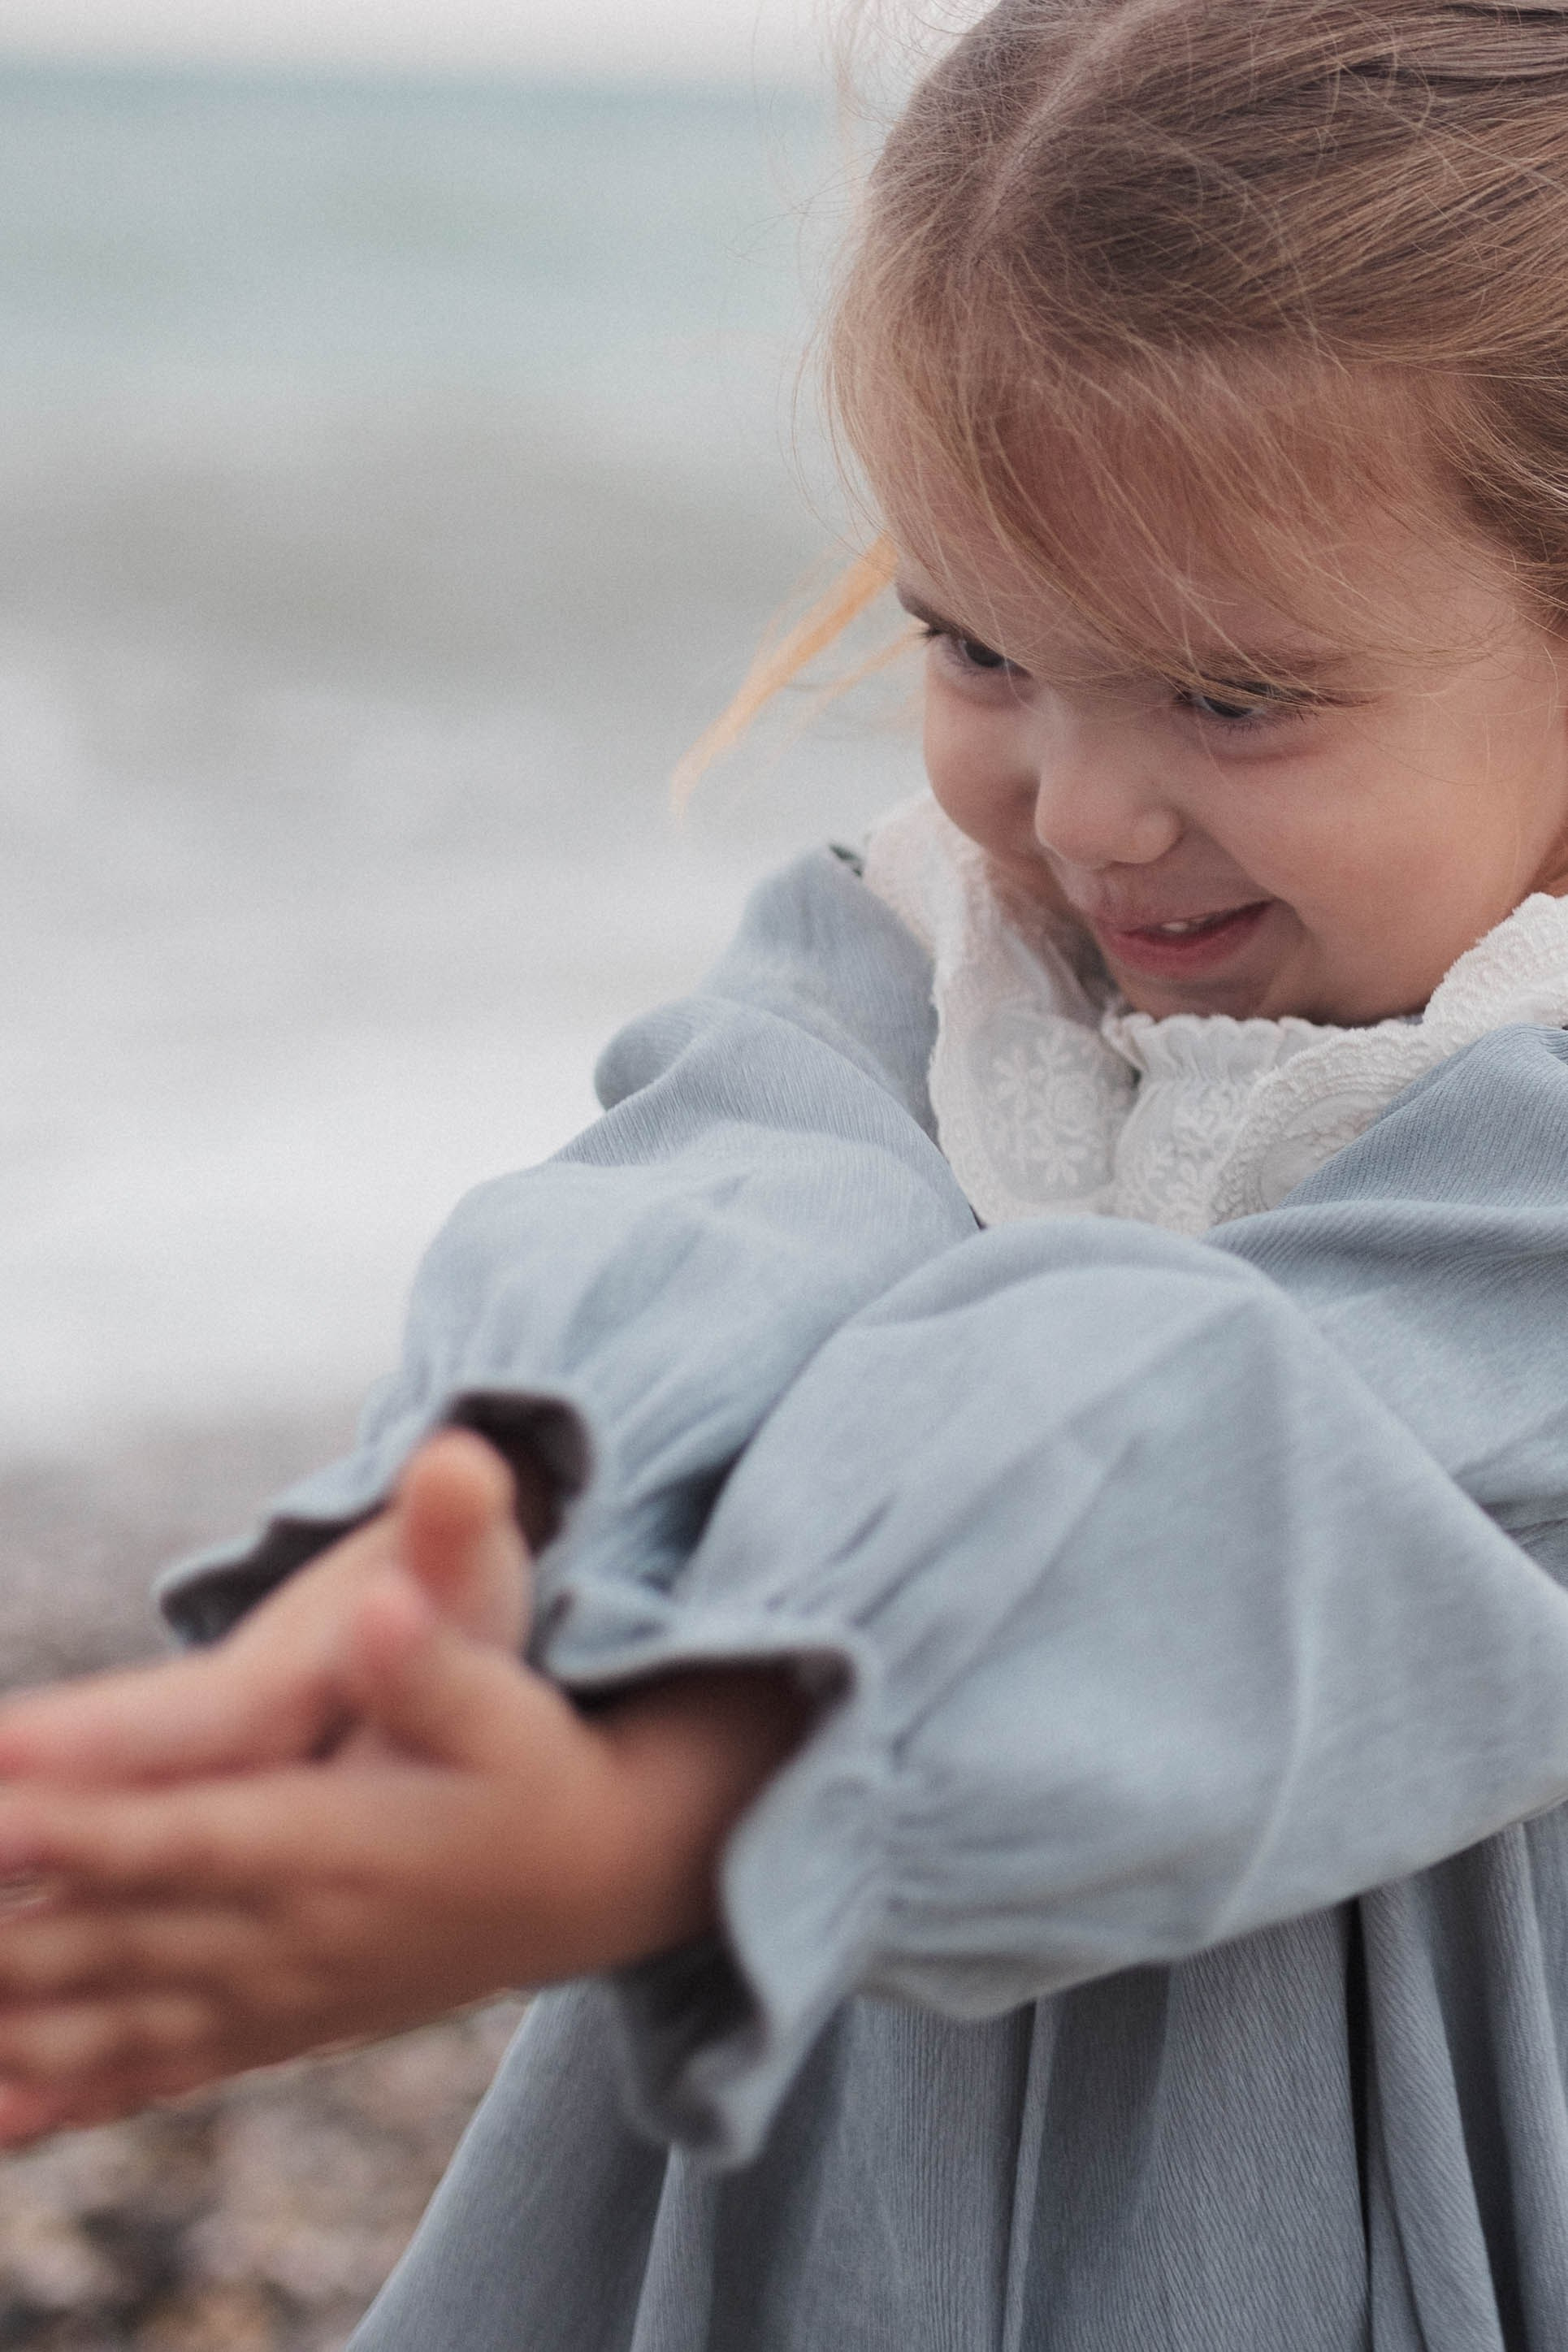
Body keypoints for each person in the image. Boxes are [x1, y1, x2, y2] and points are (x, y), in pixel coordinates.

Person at [6, 1, 1568, 2341]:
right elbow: (707, 1210)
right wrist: (470, 1569)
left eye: (1228, 696)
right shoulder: (939, 961)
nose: (1076, 811)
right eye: (975, 646)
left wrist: (676, 1816)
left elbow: (1257, 1458)